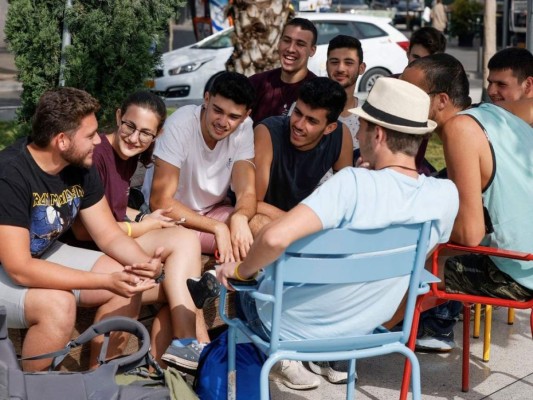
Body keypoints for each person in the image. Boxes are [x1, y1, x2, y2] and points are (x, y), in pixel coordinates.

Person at [216, 77, 458, 388]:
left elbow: (275, 238)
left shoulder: (353, 184)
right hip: (367, 329)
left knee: (239, 291)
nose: (359, 133)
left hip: (288, 324)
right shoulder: (445, 195)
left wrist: (240, 271)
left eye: (364, 127)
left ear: (379, 134)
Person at [0, 88, 163, 371]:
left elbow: (108, 233)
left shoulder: (80, 166)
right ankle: (30, 391)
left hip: (38, 253)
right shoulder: (11, 175)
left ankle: (98, 378)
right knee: (58, 306)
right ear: (61, 140)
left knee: (129, 281)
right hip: (9, 265)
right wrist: (104, 281)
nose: (99, 140)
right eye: (90, 135)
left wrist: (142, 264)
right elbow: (19, 268)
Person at [68, 91, 211, 369]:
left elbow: (113, 209)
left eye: (146, 133)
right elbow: (84, 231)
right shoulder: (96, 156)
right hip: (85, 254)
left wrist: (145, 216)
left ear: (157, 134)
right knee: (182, 259)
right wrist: (143, 226)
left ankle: (160, 365)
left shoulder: (129, 156)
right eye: (130, 126)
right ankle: (190, 343)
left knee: (180, 282)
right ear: (118, 116)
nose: (134, 138)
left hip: (107, 248)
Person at [402, 53, 533, 350]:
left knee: (404, 267)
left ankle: (340, 346)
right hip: (525, 260)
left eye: (411, 94)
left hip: (517, 273)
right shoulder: (493, 113)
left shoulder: (459, 130)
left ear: (442, 101)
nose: (402, 100)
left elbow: (470, 235)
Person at [141, 71, 256, 264]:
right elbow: (160, 201)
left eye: (233, 116)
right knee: (249, 238)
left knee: (260, 225)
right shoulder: (181, 124)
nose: (222, 122)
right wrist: (217, 227)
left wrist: (240, 218)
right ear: (206, 99)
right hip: (171, 220)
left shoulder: (245, 128)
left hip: (213, 212)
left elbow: (247, 192)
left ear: (246, 116)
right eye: (217, 110)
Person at [250, 77, 353, 236]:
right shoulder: (267, 132)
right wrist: (302, 223)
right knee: (256, 223)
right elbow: (251, 203)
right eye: (297, 113)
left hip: (302, 221)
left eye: (311, 121)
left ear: (329, 128)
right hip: (268, 219)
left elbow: (346, 199)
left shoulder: (341, 135)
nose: (298, 125)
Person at [249, 17, 317, 125]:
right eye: (287, 40)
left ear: (312, 50)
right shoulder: (256, 83)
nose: (290, 49)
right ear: (279, 43)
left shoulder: (318, 91)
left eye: (300, 44)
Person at [325, 34, 366, 161]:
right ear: (327, 65)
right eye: (334, 62)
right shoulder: (304, 109)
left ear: (361, 68)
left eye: (348, 62)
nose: (340, 68)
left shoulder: (369, 117)